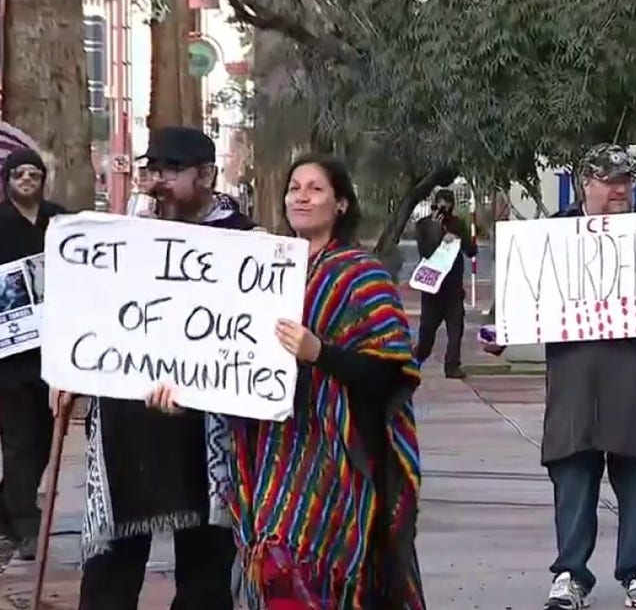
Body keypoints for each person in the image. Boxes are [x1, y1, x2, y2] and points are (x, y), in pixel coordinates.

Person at [147, 154, 426, 608]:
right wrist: (185, 394)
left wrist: (320, 353)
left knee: (311, 576)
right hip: (267, 454)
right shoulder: (258, 272)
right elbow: (224, 358)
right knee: (276, 572)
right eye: (294, 187)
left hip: (337, 458)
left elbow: (390, 373)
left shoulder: (361, 275)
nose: (301, 196)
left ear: (341, 203)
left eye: (315, 188)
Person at [483, 144, 636, 610]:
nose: (620, 190)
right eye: (609, 181)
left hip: (635, 385)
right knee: (572, 477)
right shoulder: (553, 238)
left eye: (625, 181)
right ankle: (570, 574)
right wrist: (497, 328)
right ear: (586, 184)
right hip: (576, 389)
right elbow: (516, 298)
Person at [50, 127, 251, 609]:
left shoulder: (245, 245)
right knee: (110, 569)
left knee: (204, 571)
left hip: (206, 433)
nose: (157, 181)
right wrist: (68, 370)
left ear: (207, 175)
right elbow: (94, 314)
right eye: (152, 170)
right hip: (127, 424)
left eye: (171, 170)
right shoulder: (123, 238)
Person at [0, 148, 67, 560]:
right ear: (7, 180)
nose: (26, 179)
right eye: (18, 173)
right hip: (8, 354)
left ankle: (8, 509)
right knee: (19, 439)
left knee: (43, 437)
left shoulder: (61, 221)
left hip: (51, 350)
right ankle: (26, 525)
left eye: (33, 173)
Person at [413, 188, 477, 378]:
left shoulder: (457, 224)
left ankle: (452, 366)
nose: (443, 208)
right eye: (440, 203)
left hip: (453, 288)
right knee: (427, 334)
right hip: (432, 289)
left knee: (455, 330)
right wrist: (438, 233)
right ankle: (416, 359)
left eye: (447, 204)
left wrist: (458, 238)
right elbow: (425, 251)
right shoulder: (424, 225)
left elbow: (471, 250)